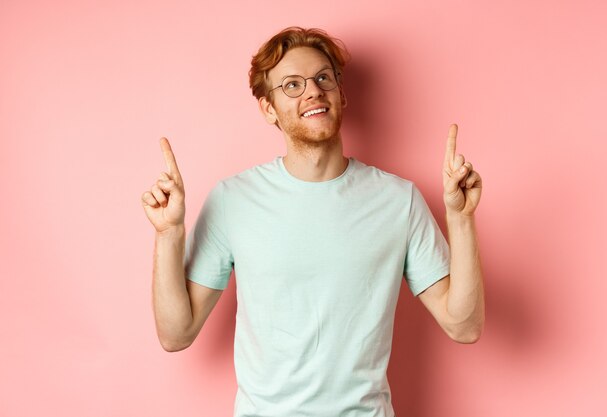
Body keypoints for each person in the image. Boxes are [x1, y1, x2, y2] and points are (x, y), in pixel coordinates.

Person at [141, 26, 484, 417]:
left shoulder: (397, 200)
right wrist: (169, 234)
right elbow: (175, 333)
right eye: (292, 84)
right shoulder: (233, 200)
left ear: (342, 92)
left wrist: (461, 220)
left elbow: (464, 326)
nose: (313, 91)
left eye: (324, 78)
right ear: (268, 108)